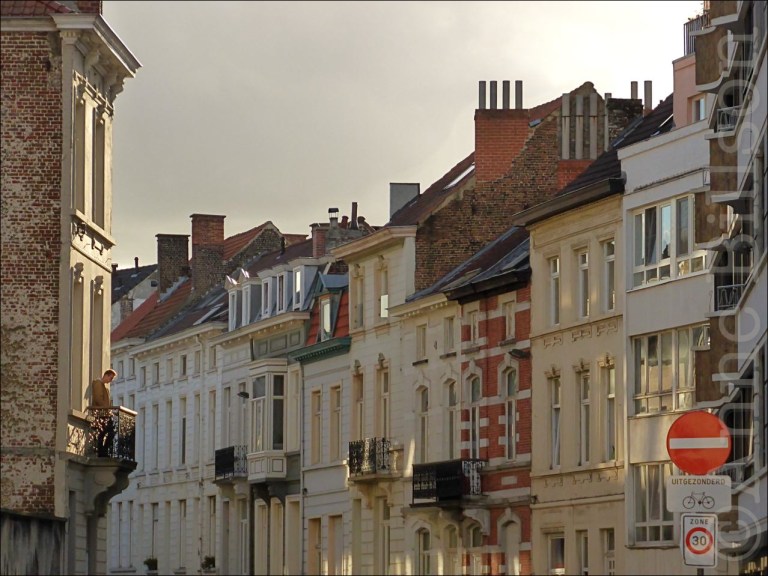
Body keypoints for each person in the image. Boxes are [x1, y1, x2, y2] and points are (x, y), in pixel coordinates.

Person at [91, 369, 117, 456]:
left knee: (108, 432)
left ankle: (103, 451)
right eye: (111, 378)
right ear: (106, 375)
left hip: (105, 414)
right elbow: (98, 399)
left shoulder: (105, 388)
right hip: (101, 414)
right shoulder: (98, 384)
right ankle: (102, 451)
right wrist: (106, 410)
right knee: (103, 433)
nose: (111, 380)